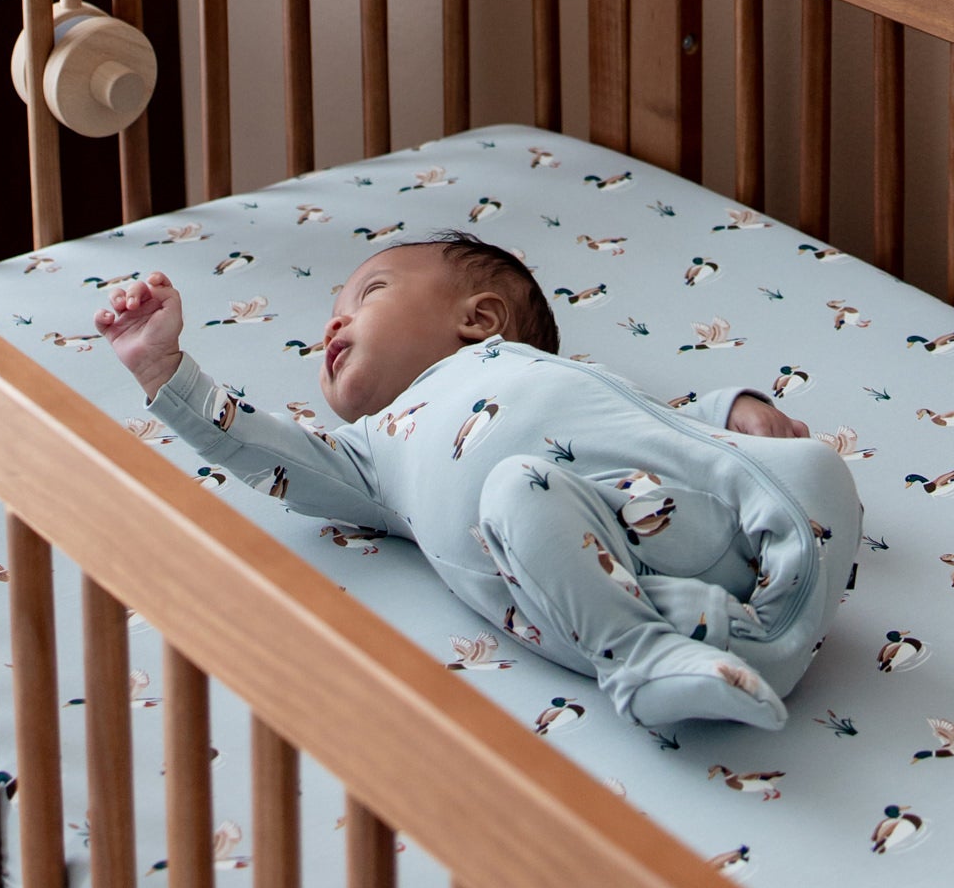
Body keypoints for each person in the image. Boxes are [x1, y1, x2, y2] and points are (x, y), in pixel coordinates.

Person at [97, 230, 862, 730]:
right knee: (517, 487)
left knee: (819, 468)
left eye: (366, 295)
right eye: (332, 317)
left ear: (481, 320)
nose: (330, 326)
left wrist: (739, 409)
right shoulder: (371, 455)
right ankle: (644, 655)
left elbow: (660, 421)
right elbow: (262, 450)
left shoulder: (566, 374)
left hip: (690, 500)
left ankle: (775, 632)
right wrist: (166, 368)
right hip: (586, 566)